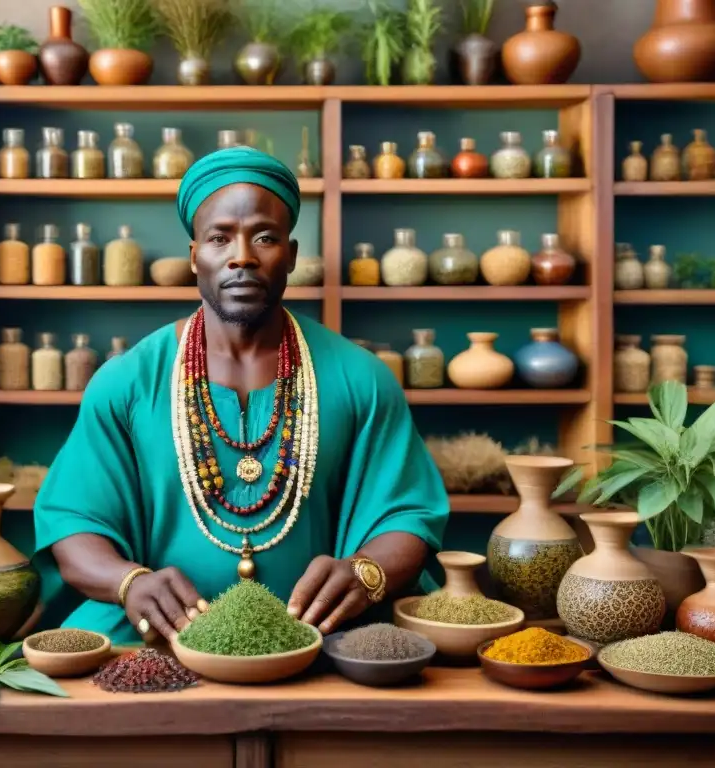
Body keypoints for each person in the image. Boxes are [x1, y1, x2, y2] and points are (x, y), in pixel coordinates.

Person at [33, 146, 449, 644]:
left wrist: (367, 572)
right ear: (194, 256)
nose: (242, 256)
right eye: (219, 238)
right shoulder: (127, 382)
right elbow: (74, 520)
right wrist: (128, 583)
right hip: (156, 640)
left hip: (324, 638)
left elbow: (408, 513)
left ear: (291, 256)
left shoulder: (360, 378)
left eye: (266, 237)